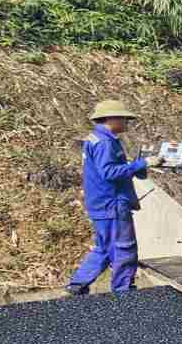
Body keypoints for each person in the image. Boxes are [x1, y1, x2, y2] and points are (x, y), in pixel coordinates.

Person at [65, 99, 161, 296]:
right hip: (112, 204)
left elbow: (108, 169)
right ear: (111, 119)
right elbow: (109, 172)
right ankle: (123, 292)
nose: (127, 122)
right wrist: (142, 163)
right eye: (123, 118)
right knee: (124, 248)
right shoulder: (105, 143)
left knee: (104, 248)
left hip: (100, 203)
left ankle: (77, 285)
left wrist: (139, 166)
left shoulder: (95, 139)